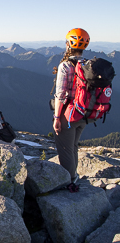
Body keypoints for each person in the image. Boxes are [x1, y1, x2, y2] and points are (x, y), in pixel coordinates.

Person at [53, 28, 90, 183]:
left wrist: (56, 117)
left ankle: (70, 182)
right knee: (73, 146)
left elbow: (60, 95)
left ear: (68, 44)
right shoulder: (88, 65)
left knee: (65, 150)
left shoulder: (66, 66)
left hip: (68, 115)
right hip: (85, 114)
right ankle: (74, 177)